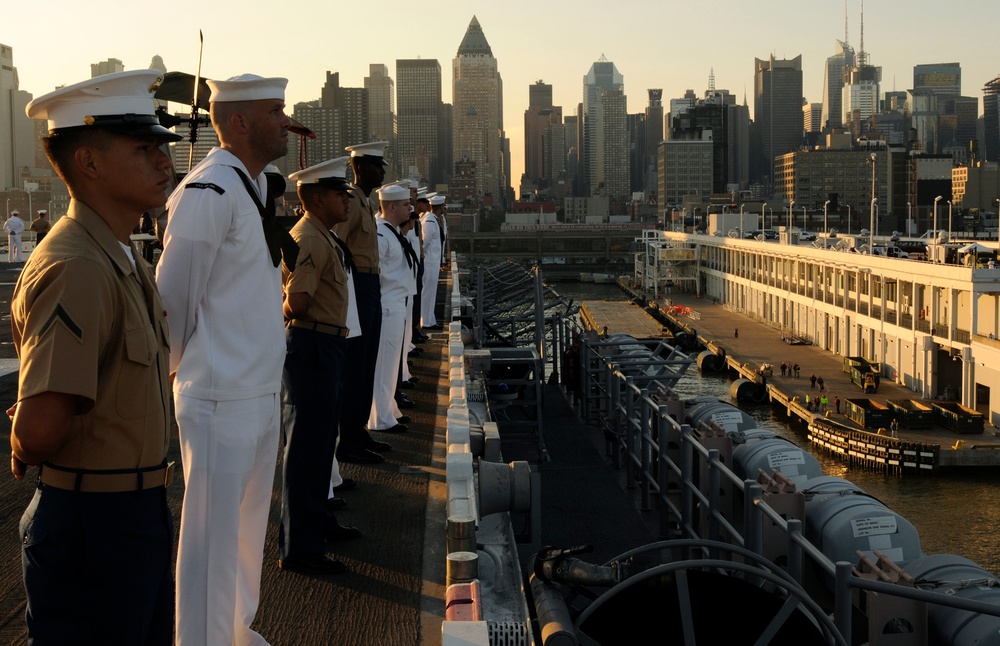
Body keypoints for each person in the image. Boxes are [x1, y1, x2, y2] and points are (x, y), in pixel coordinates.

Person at [11, 69, 179, 643]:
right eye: (144, 148)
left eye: (162, 147)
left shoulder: (120, 256)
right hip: (95, 527)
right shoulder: (78, 266)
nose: (165, 162)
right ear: (89, 163)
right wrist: (22, 436)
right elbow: (39, 430)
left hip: (133, 515)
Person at [155, 73, 295, 646]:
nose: (288, 120)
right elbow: (172, 305)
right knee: (210, 546)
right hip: (218, 397)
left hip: (256, 393)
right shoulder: (208, 191)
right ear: (240, 122)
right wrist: (192, 377)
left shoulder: (248, 188)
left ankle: (236, 632)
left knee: (243, 536)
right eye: (276, 110)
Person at [279, 156, 362, 575]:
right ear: (315, 199)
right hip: (311, 346)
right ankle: (301, 548)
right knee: (307, 452)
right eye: (338, 195)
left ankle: (318, 524)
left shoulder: (320, 234)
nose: (346, 201)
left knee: (320, 445)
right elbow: (297, 302)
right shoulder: (309, 238)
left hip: (325, 347)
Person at [333, 141, 391, 464]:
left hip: (370, 284)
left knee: (367, 360)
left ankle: (358, 431)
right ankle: (349, 440)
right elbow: (337, 245)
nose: (382, 171)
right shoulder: (353, 202)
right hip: (357, 284)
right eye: (376, 165)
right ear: (359, 168)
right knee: (356, 364)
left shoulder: (366, 203)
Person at [369, 183, 417, 434]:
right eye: (404, 204)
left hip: (398, 304)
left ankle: (390, 410)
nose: (410, 208)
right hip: (388, 306)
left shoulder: (392, 232)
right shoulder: (381, 234)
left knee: (391, 366)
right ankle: (380, 418)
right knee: (384, 365)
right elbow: (373, 274)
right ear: (391, 207)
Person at [420, 194, 446, 330]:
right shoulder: (430, 220)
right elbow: (425, 241)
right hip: (429, 261)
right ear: (440, 207)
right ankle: (426, 322)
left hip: (433, 262)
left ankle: (429, 319)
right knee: (428, 293)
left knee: (430, 293)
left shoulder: (433, 219)